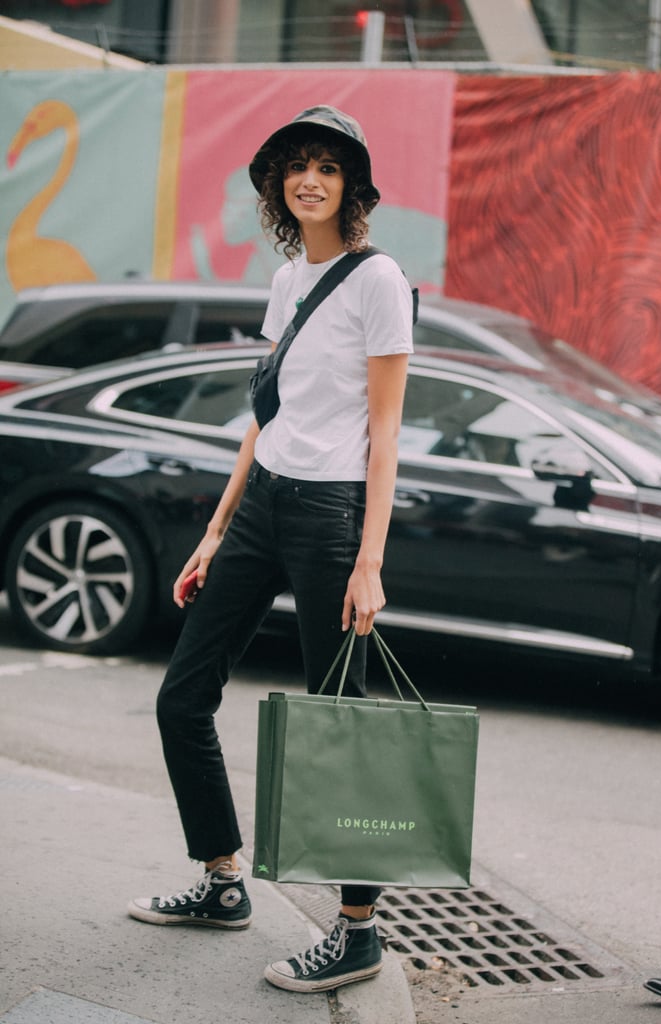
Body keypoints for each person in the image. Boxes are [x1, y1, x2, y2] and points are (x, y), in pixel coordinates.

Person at [127, 105, 414, 993]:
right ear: (278, 186)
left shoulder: (379, 279)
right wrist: (216, 529)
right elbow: (264, 418)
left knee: (339, 723)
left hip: (332, 516)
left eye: (326, 165)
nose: (309, 179)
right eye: (295, 165)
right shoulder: (289, 279)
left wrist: (369, 559)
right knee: (183, 698)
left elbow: (386, 428)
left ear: (352, 185)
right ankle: (221, 880)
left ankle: (357, 930)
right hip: (263, 507)